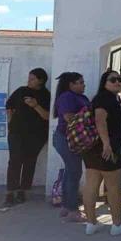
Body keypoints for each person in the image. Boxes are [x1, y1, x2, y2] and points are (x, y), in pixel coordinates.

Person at [82, 70, 121, 236]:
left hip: (93, 149)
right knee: (113, 188)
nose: (117, 82)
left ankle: (91, 223)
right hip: (106, 148)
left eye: (119, 79)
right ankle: (117, 224)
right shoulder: (104, 98)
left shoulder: (114, 99)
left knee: (91, 185)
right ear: (104, 82)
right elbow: (100, 120)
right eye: (113, 79)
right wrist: (106, 144)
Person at [3, 68, 51, 206]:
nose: (29, 81)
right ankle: (10, 192)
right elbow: (9, 106)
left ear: (41, 80)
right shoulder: (21, 91)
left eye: (32, 79)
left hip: (36, 135)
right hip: (16, 132)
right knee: (14, 161)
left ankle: (23, 191)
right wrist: (10, 121)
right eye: (29, 78)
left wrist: (35, 105)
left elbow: (47, 116)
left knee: (29, 162)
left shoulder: (45, 95)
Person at [52, 72, 89, 223]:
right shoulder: (67, 97)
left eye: (83, 82)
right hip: (65, 139)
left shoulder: (81, 97)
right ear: (71, 85)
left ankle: (66, 207)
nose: (83, 85)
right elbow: (68, 118)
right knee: (74, 171)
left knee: (70, 171)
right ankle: (73, 210)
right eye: (80, 82)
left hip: (73, 140)